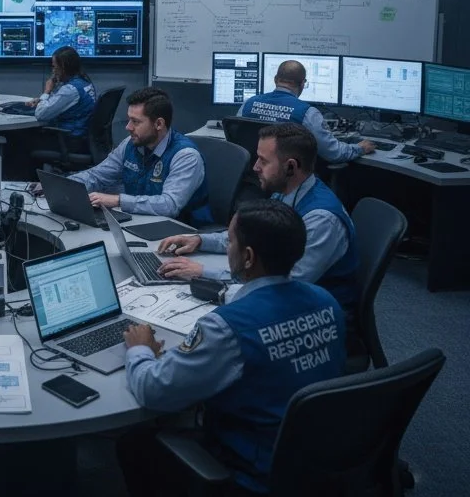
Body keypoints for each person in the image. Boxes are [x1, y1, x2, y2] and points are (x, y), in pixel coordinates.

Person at [118, 200, 347, 497]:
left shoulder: (227, 327)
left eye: (230, 243)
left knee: (136, 445)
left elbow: (153, 391)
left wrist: (140, 351)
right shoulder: (327, 302)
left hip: (257, 493)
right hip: (320, 471)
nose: (227, 249)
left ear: (248, 257)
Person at [157, 123, 359, 326]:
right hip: (286, 301)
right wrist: (199, 241)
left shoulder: (321, 219)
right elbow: (251, 234)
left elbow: (282, 286)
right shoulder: (286, 192)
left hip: (317, 319)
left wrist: (204, 274)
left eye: (263, 160)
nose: (255, 167)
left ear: (291, 166)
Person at [64, 86, 213, 223]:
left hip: (183, 232)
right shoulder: (131, 143)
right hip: (140, 221)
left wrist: (117, 201)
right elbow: (97, 175)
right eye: (129, 119)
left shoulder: (185, 156)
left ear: (159, 124)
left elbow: (169, 205)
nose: (128, 127)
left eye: (135, 122)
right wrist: (65, 185)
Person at [240, 58, 375, 163]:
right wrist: (360, 148)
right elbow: (333, 153)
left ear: (275, 80)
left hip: (254, 172)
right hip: (287, 181)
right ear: (303, 83)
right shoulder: (307, 113)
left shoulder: (248, 103)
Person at [28, 45, 97, 146]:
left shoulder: (70, 90)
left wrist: (47, 91)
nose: (53, 71)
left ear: (63, 68)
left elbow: (41, 115)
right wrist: (42, 100)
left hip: (69, 139)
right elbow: (61, 103)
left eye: (54, 67)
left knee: (21, 138)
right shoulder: (84, 82)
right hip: (81, 135)